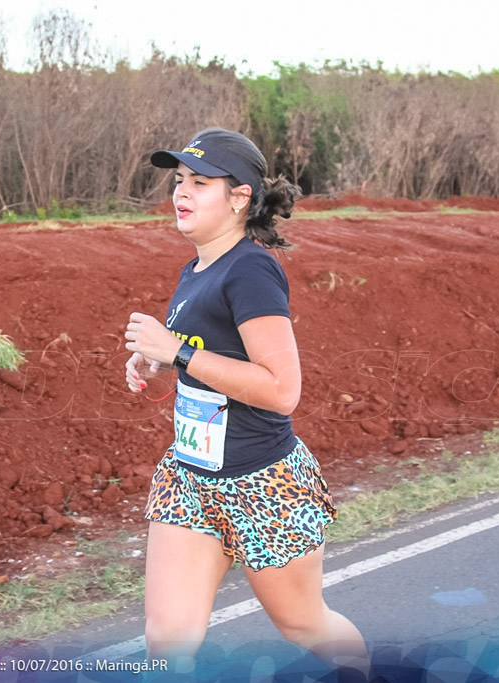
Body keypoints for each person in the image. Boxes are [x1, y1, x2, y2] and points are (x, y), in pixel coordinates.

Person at [123, 128, 369, 675]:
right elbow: (195, 378)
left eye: (200, 182)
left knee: (304, 624)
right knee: (167, 637)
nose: (181, 193)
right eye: (180, 180)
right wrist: (158, 368)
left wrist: (179, 351)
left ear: (239, 198)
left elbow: (283, 390)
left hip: (261, 482)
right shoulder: (195, 272)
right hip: (191, 480)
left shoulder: (251, 268)